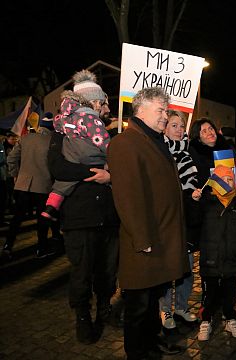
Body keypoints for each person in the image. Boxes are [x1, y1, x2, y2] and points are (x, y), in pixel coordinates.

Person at [108, 87, 189, 359]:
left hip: (161, 236)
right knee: (138, 305)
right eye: (161, 111)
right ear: (140, 110)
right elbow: (127, 197)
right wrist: (142, 239)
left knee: (153, 297)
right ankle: (137, 351)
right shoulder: (125, 142)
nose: (166, 116)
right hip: (143, 240)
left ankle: (152, 344)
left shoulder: (154, 140)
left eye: (166, 110)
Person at [47, 71, 120, 345]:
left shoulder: (108, 133)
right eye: (103, 103)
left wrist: (110, 175)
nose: (106, 108)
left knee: (108, 268)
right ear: (91, 102)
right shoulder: (61, 131)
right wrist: (97, 170)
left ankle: (104, 307)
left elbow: (121, 168)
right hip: (80, 215)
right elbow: (57, 167)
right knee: (82, 270)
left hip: (108, 215)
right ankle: (82, 315)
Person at [191, 165, 236, 341]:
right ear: (215, 183)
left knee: (230, 292)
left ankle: (230, 318)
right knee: (209, 293)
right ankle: (206, 319)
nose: (227, 183)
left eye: (230, 180)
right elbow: (193, 221)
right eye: (223, 180)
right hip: (210, 258)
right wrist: (194, 201)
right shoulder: (206, 203)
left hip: (232, 259)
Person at [41, 70, 111, 222]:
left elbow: (58, 125)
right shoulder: (91, 118)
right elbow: (100, 138)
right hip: (89, 155)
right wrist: (110, 152)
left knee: (62, 185)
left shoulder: (68, 115)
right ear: (94, 102)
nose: (101, 107)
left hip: (71, 154)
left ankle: (50, 207)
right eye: (101, 103)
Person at [158, 110, 199, 330]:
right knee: (168, 268)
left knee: (187, 267)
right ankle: (164, 310)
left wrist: (194, 193)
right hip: (167, 220)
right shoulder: (159, 151)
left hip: (186, 219)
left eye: (181, 126)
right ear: (164, 128)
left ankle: (181, 306)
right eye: (174, 125)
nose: (179, 129)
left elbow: (192, 183)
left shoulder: (187, 153)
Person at [4, 116, 62, 259]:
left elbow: (11, 158)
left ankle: (7, 246)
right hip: (43, 185)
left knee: (16, 219)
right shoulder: (53, 141)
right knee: (42, 219)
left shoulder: (25, 138)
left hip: (23, 185)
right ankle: (41, 249)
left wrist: (16, 175)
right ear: (52, 128)